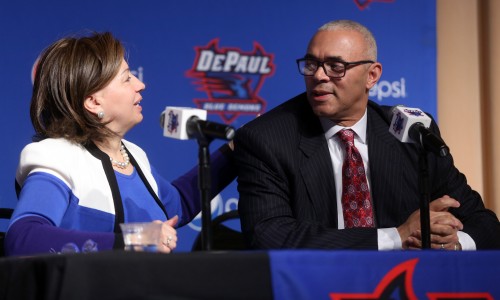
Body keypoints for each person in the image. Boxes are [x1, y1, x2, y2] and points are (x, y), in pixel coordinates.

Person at [234, 20, 500, 250]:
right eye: (311, 64)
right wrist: (397, 237)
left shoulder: (411, 132)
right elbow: (269, 236)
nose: (318, 76)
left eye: (335, 66)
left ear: (372, 76)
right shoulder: (267, 138)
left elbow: (485, 224)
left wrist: (451, 244)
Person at [5, 32, 236, 256]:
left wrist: (237, 151)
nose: (140, 84)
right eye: (127, 78)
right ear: (94, 102)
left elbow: (178, 205)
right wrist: (134, 239)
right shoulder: (57, 157)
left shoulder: (133, 154)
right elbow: (23, 238)